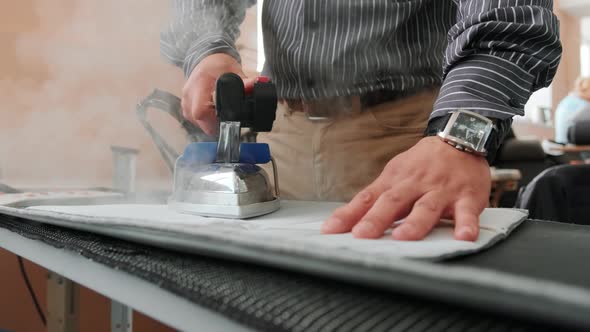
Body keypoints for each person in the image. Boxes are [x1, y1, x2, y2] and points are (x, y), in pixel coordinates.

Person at [161, 1, 561, 242]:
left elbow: (508, 18)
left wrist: (459, 137)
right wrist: (207, 50)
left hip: (406, 138)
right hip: (281, 133)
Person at [554, 77, 590, 144]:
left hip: (561, 143)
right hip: (573, 147)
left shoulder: (568, 100)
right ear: (585, 90)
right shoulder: (584, 104)